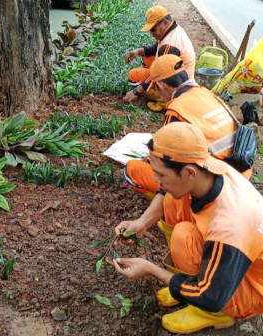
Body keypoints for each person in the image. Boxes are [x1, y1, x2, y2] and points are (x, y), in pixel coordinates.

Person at [112, 122, 263, 334]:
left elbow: (212, 296)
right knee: (173, 201)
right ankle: (187, 284)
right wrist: (142, 222)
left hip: (249, 288)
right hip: (237, 256)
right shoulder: (206, 168)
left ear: (189, 172)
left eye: (161, 175)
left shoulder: (229, 226)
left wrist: (152, 269)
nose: (156, 180)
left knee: (183, 237)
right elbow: (165, 192)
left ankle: (216, 313)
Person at [125, 54, 253, 202]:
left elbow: (168, 162)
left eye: (156, 90)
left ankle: (175, 211)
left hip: (217, 189)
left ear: (160, 86)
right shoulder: (206, 93)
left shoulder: (176, 110)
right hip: (243, 175)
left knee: (132, 170)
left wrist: (150, 160)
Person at [123, 5, 195, 112]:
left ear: (165, 22)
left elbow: (157, 73)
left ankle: (164, 101)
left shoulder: (169, 45)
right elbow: (156, 46)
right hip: (181, 75)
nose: (151, 33)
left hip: (178, 87)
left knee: (133, 76)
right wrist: (138, 51)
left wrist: (135, 92)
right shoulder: (173, 30)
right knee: (146, 58)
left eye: (153, 29)